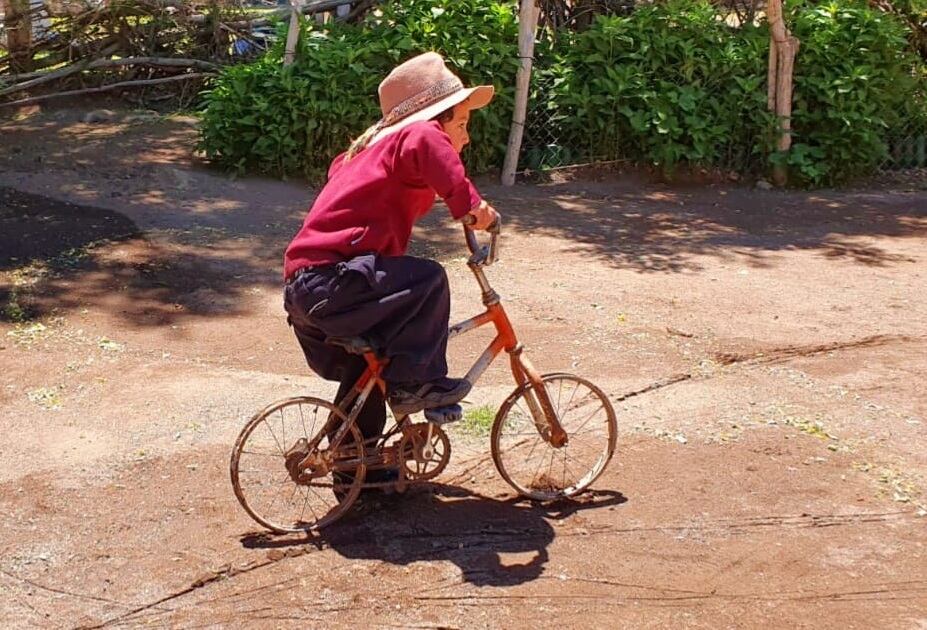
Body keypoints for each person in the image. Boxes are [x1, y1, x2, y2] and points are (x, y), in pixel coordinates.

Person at [283, 52, 500, 453]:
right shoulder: (418, 135)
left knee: (371, 369)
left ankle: (357, 471)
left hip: (309, 287)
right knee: (429, 280)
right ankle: (422, 384)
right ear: (437, 122)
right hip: (334, 280)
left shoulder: (365, 154)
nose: (466, 137)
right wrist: (472, 208)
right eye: (463, 124)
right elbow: (428, 144)